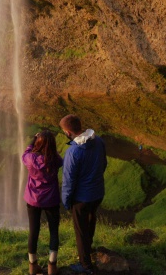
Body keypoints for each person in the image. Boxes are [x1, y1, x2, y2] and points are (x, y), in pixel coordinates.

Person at [60, 115, 107, 274]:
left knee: (80, 231)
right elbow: (104, 164)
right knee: (91, 220)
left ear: (67, 132)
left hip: (81, 198)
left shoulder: (73, 152)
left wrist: (66, 201)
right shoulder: (98, 141)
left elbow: (68, 181)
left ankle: (85, 266)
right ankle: (89, 248)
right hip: (97, 192)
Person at [22, 129, 64, 275]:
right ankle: (52, 266)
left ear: (38, 144)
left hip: (33, 199)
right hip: (51, 199)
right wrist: (51, 148)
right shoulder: (55, 160)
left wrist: (34, 140)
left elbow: (25, 153)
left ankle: (33, 266)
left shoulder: (30, 158)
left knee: (34, 230)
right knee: (54, 231)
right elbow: (60, 160)